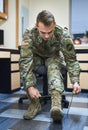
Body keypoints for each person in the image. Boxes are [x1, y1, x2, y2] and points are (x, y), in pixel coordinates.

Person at [19, 10, 81, 122]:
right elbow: (25, 60)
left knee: (53, 66)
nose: (46, 36)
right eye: (43, 32)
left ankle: (56, 106)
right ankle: (35, 105)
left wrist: (75, 81)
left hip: (54, 57)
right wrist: (30, 86)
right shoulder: (29, 33)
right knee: (26, 66)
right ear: (36, 26)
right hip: (36, 58)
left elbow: (71, 59)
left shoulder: (62, 33)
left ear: (54, 25)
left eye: (50, 32)